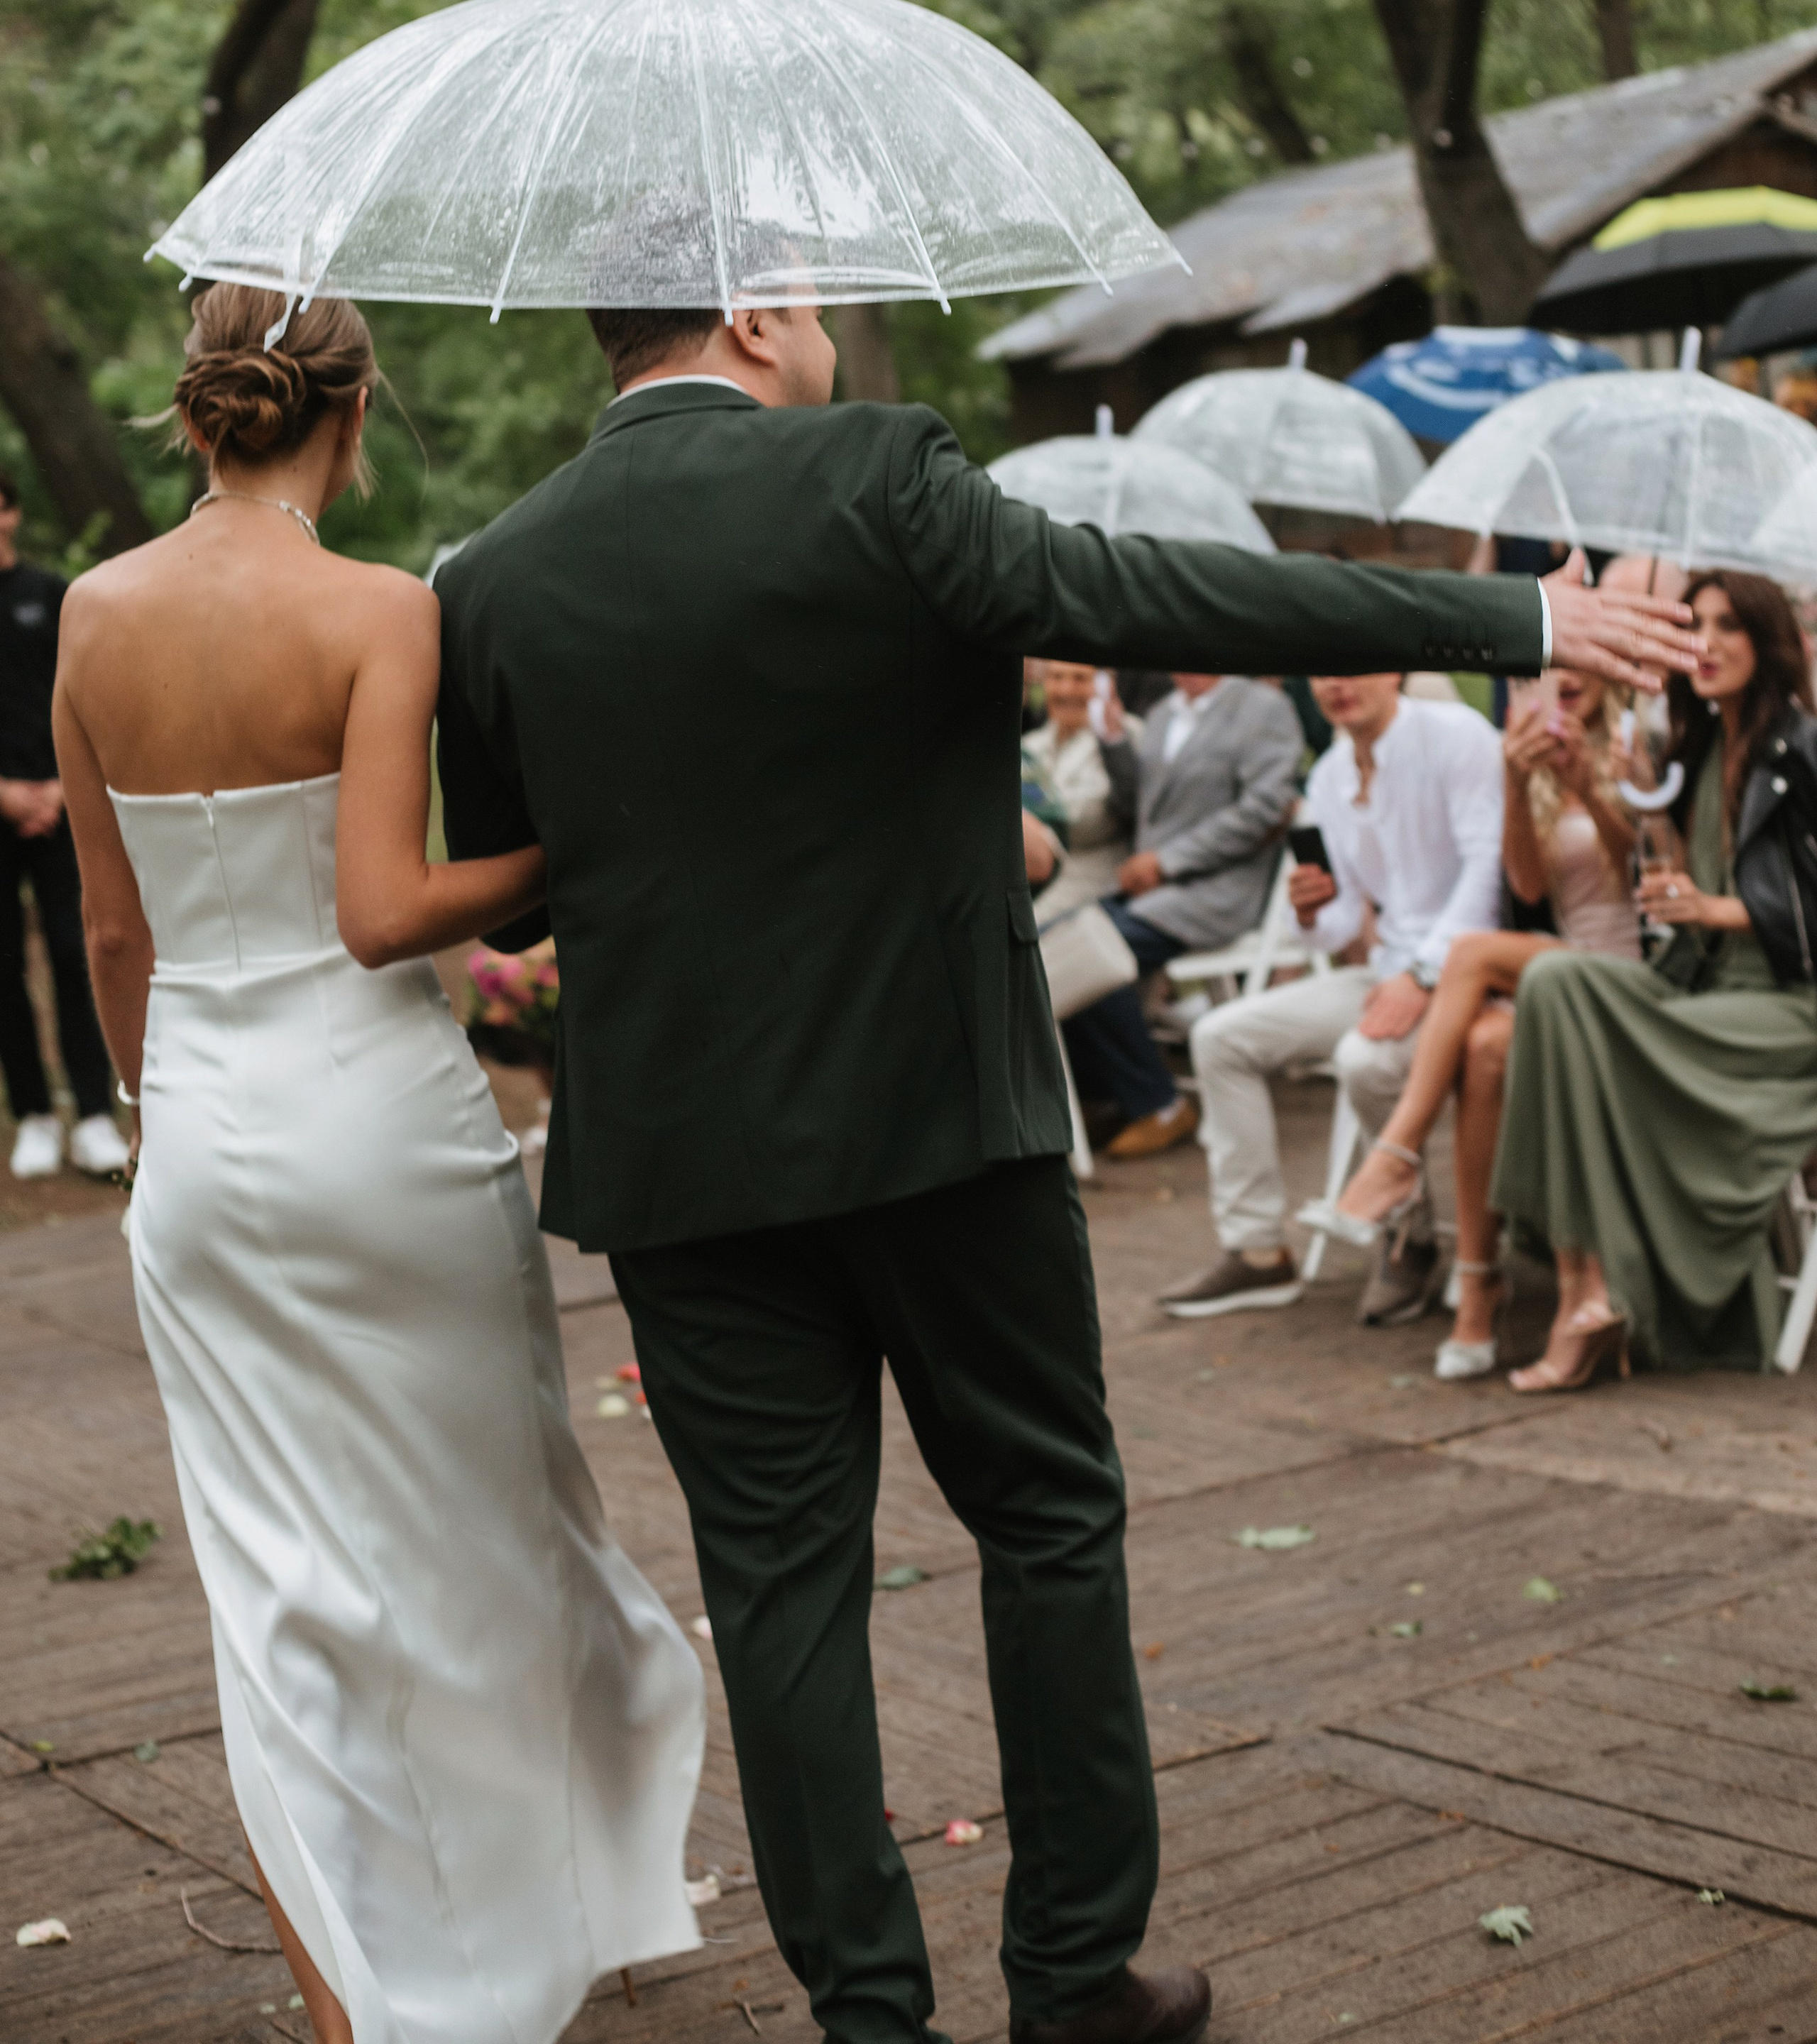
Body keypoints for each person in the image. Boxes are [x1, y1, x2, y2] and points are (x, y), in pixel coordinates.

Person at [433, 297, 1690, 2044]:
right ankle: (1070, 1975)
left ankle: (870, 2017)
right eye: (803, 291)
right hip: (936, 1116)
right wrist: (1513, 613)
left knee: (780, 1588)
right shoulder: (880, 470)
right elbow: (1174, 596)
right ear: (748, 310)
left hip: (682, 1156)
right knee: (1041, 1516)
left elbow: (510, 882)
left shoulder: (488, 573)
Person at [53, 286, 703, 2044]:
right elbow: (380, 914)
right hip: (384, 1128)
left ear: (203, 412)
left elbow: (117, 934)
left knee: (273, 1592)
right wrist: (565, 853)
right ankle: (533, 1923)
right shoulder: (378, 607)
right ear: (348, 416)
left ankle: (349, 1997)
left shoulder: (91, 615)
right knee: (482, 1531)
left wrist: (160, 1109)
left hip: (199, 1127)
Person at [1491, 569, 1817, 1389]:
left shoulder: (1803, 750)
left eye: (1726, 627)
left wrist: (1722, 910)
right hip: (1699, 990)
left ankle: (1588, 1295)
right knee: (1556, 985)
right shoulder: (1693, 747)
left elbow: (1773, 909)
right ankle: (1584, 1288)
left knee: (1569, 1005)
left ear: (1767, 641)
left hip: (1786, 1011)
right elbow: (1667, 887)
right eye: (1692, 625)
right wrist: (1627, 810)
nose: (1703, 644)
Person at [1312, 668, 1644, 1379]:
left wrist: (1589, 784)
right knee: (1485, 1043)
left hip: (1631, 967)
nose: (1560, 685)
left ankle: (1397, 1155)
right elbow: (1526, 886)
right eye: (1542, 674)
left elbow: (1646, 878)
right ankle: (1476, 1285)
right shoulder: (1522, 754)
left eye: (1573, 669)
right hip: (1555, 966)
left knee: (1466, 953)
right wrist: (1522, 786)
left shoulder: (1636, 742)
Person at [1162, 674, 1504, 1322]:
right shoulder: (1329, 775)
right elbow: (1344, 919)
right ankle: (1257, 1252)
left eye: (1355, 665)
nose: (1338, 685)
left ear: (1395, 668)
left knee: (1362, 1059)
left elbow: (1488, 874)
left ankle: (1410, 1237)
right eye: (1323, 671)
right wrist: (1311, 912)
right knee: (1220, 1038)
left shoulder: (1456, 737)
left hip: (1469, 976)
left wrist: (1427, 976)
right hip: (1384, 975)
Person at [1063, 671, 1302, 1160]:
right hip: (1150, 891)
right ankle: (1108, 1093)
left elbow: (1266, 807)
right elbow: (1143, 809)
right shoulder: (1163, 713)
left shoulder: (1262, 707)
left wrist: (1170, 863)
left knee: (1094, 958)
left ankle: (1160, 1102)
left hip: (1216, 891)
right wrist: (1111, 740)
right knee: (1053, 943)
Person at [0, 468, 126, 1181]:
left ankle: (95, 1112)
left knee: (81, 953)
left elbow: (82, 698)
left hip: (62, 806)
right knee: (4, 970)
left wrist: (55, 789)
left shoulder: (52, 597)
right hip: (2, 809)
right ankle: (36, 1117)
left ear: (13, 513)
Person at [1022, 660, 1136, 916]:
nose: (1065, 690)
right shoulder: (1030, 745)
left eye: (1080, 679)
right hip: (1026, 876)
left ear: (1106, 684)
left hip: (1093, 881)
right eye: (1057, 677)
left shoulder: (1127, 737)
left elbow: (1107, 815)